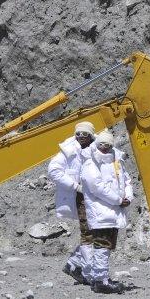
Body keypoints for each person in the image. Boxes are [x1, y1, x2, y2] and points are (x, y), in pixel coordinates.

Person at [80, 130, 133, 294]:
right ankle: (100, 280)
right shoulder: (90, 163)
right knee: (102, 245)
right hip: (101, 211)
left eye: (108, 145)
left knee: (106, 246)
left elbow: (126, 181)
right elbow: (97, 187)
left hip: (113, 211)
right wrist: (118, 200)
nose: (105, 148)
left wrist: (128, 197)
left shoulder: (116, 161)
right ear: (97, 144)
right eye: (102, 144)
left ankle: (101, 278)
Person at [47, 121, 97, 284]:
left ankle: (75, 264)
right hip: (81, 198)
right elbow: (53, 170)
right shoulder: (68, 150)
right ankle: (83, 269)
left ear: (91, 135)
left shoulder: (98, 148)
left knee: (99, 232)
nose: (81, 137)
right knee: (88, 233)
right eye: (78, 134)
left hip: (97, 197)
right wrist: (76, 186)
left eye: (85, 134)